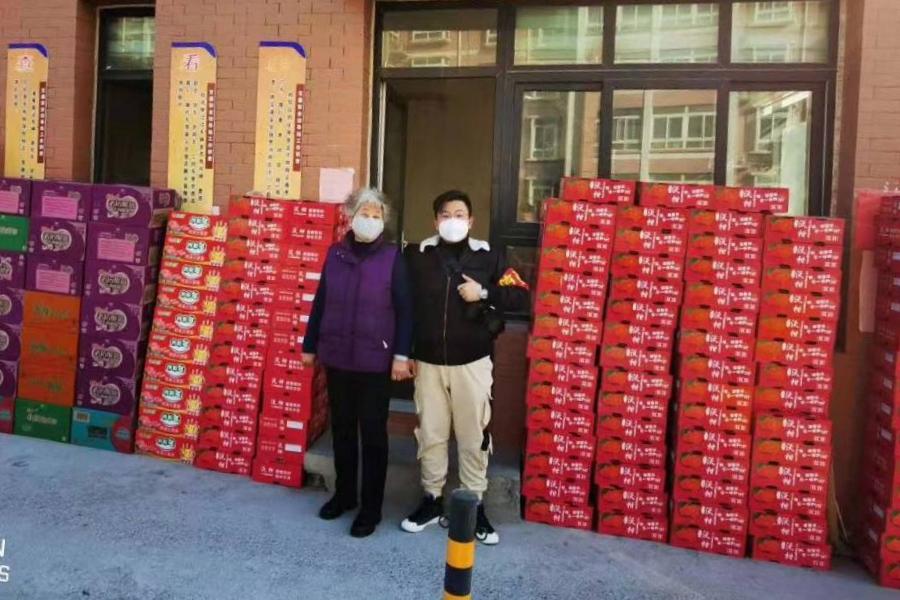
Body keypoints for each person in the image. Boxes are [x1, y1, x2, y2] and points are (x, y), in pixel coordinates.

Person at [401, 190, 529, 545]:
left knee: (473, 437)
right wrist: (403, 352)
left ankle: (474, 505)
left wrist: (484, 292)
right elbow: (403, 305)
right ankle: (431, 499)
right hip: (428, 362)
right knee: (431, 433)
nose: (452, 220)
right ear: (435, 220)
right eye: (445, 214)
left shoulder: (490, 256)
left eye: (460, 214)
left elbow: (520, 294)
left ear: (471, 221)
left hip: (472, 362)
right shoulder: (417, 255)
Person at [302, 187, 414, 538]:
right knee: (343, 430)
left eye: (376, 214)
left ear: (384, 220)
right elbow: (321, 301)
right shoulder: (335, 254)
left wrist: (401, 355)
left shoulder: (393, 258)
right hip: (338, 356)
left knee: (373, 435)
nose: (370, 219)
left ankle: (371, 508)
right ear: (350, 217)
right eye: (364, 213)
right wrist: (309, 344)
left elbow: (406, 310)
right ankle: (345, 494)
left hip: (375, 361)